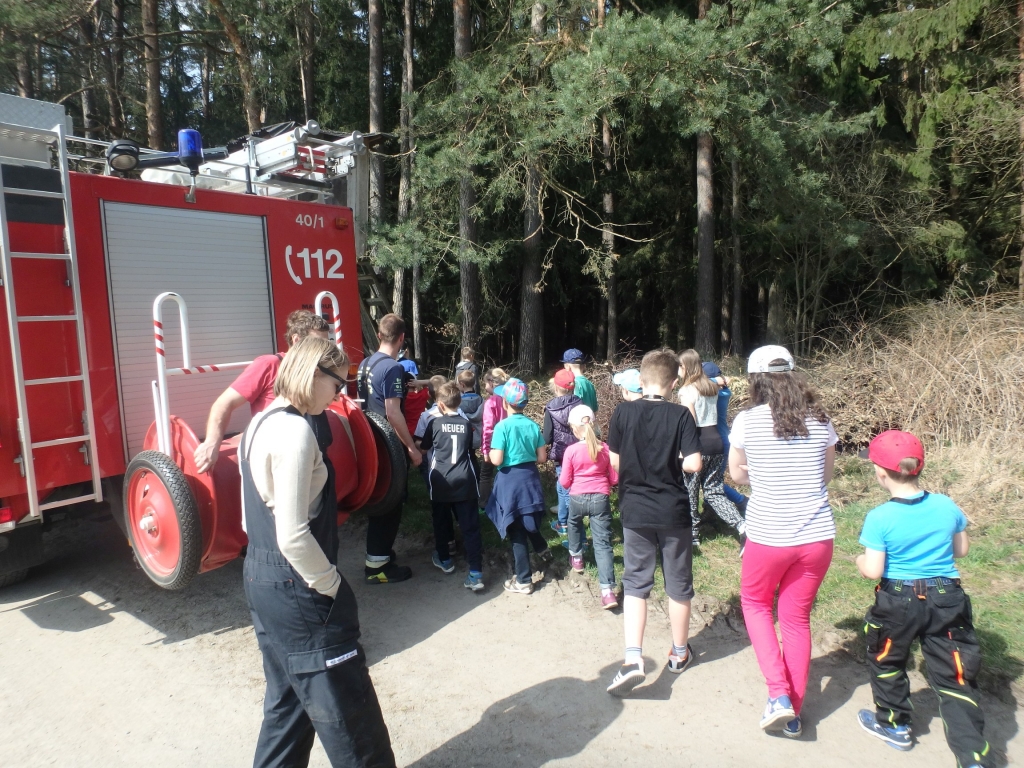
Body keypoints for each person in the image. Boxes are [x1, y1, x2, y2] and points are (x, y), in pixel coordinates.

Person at [239, 336, 395, 768]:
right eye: (337, 384)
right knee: (351, 717)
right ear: (312, 375)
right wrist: (331, 585)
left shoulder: (261, 420)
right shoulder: (295, 433)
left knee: (287, 709)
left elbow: (248, 517)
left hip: (262, 577)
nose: (340, 394)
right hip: (299, 587)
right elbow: (292, 535)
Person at [855, 430, 990, 766]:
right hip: (946, 597)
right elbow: (961, 549)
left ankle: (894, 725)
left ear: (881, 473)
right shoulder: (946, 504)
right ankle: (973, 756)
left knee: (887, 661)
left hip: (897, 601)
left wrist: (858, 561)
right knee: (956, 675)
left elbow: (873, 570)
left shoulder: (879, 517)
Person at [728, 345, 837, 738]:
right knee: (796, 619)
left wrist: (761, 475)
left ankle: (778, 694)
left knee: (755, 604)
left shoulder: (746, 421)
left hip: (769, 535)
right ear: (793, 375)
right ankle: (794, 710)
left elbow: (736, 475)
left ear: (755, 380)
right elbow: (825, 475)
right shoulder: (821, 419)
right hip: (817, 536)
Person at [605, 349, 702, 696]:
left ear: (641, 380)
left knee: (635, 583)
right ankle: (678, 653)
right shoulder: (679, 416)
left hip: (635, 509)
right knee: (678, 583)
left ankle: (633, 658)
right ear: (674, 383)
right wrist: (671, 456)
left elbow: (615, 461)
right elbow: (693, 464)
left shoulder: (622, 412)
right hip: (672, 510)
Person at [194, 309, 329, 473]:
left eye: (327, 344)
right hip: (280, 460)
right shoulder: (269, 365)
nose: (324, 350)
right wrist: (211, 443)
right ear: (296, 340)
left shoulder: (321, 371)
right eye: (318, 344)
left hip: (315, 456)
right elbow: (223, 404)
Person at [356, 314, 422, 585]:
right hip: (389, 445)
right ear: (402, 338)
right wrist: (411, 448)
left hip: (369, 442)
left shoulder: (364, 363)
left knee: (379, 500)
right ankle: (377, 567)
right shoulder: (392, 367)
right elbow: (393, 413)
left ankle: (379, 553)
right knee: (390, 502)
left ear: (380, 335)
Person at [483, 378, 551, 595]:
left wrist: (491, 453)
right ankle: (542, 547)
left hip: (509, 481)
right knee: (528, 516)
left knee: (516, 531)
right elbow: (542, 458)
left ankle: (523, 580)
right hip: (530, 478)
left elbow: (496, 459)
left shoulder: (501, 427)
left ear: (505, 402)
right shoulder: (532, 425)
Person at [677, 349, 745, 552]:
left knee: (690, 490)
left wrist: (683, 449)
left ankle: (693, 534)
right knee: (714, 491)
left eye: (679, 366)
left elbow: (690, 422)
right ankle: (742, 525)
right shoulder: (711, 387)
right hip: (716, 441)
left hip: (697, 443)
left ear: (685, 367)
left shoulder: (686, 390)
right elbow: (722, 381)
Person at [419, 382, 485, 592]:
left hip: (440, 480)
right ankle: (476, 573)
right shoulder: (467, 424)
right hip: (465, 479)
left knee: (440, 520)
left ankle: (445, 559)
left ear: (439, 405)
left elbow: (424, 448)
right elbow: (471, 446)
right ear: (459, 403)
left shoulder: (434, 424)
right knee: (471, 527)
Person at [559, 404, 619, 609]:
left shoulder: (571, 451)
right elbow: (614, 478)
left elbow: (565, 482)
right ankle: (608, 592)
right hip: (600, 499)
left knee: (573, 522)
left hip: (577, 497)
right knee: (603, 543)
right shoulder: (605, 449)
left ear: (575, 429)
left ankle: (576, 557)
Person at [702, 360, 749, 511]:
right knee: (712, 480)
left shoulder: (718, 393)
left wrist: (714, 380)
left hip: (719, 440)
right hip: (720, 438)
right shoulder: (720, 391)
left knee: (712, 482)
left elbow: (697, 384)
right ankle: (710, 509)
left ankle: (741, 500)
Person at [543, 368, 583, 537]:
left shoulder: (550, 408)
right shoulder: (580, 404)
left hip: (561, 455)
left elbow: (546, 437)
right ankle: (562, 522)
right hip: (580, 453)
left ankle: (573, 528)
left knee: (564, 489)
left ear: (556, 387)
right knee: (566, 488)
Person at [478, 367, 508, 509]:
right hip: (509, 443)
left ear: (491, 382)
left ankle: (484, 504)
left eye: (485, 384)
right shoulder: (511, 397)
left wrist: (485, 449)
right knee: (504, 472)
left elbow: (488, 428)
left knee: (485, 474)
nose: (485, 387)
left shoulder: (491, 402)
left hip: (494, 445)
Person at [562, 348, 598, 413]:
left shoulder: (574, 384)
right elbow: (595, 410)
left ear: (567, 366)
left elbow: (574, 409)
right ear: (583, 366)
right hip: (590, 421)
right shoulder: (590, 384)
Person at [456, 370, 484, 450]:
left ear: (462, 384)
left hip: (463, 435)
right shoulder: (480, 400)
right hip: (477, 435)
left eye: (458, 384)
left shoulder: (459, 401)